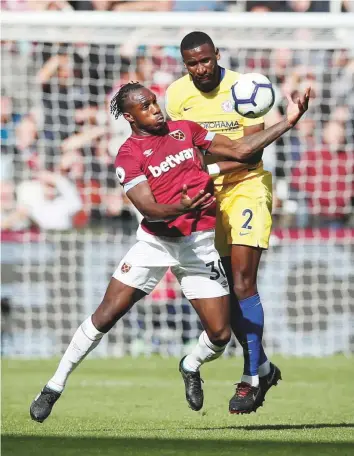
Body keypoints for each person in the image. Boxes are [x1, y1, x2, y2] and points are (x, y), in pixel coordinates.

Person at [30, 82, 309, 422]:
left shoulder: (185, 130)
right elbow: (149, 209)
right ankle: (53, 387)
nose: (156, 109)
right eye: (146, 106)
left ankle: (190, 365)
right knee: (106, 315)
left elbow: (240, 150)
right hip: (155, 245)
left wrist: (289, 122)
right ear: (130, 117)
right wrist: (181, 205)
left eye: (155, 102)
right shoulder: (128, 156)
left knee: (220, 335)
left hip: (199, 246)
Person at [165, 32, 309, 414]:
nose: (200, 69)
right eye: (192, 63)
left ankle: (250, 380)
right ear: (185, 64)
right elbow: (182, 151)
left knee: (245, 281)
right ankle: (263, 366)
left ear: (217, 55)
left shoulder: (246, 88)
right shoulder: (177, 95)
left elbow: (249, 154)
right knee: (226, 291)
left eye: (205, 60)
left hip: (246, 187)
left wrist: (206, 167)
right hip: (206, 198)